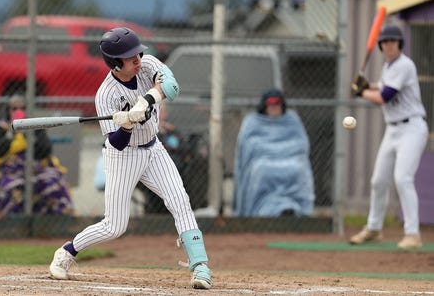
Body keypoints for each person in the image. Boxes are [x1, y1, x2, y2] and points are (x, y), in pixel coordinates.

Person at [48, 27, 212, 289]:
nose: (137, 59)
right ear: (115, 62)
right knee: (115, 226)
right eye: (129, 57)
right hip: (123, 157)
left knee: (180, 200)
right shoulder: (106, 94)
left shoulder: (146, 65)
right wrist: (126, 125)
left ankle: (200, 266)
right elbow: (116, 143)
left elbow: (172, 85)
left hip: (153, 148)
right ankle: (66, 252)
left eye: (137, 53)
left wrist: (147, 100)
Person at [349, 24, 428, 249]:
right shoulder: (389, 66)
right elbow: (382, 86)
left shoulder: (404, 65)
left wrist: (361, 91)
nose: (388, 44)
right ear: (381, 46)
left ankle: (412, 234)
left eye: (392, 41)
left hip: (412, 128)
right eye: (385, 42)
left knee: (403, 178)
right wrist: (367, 85)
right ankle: (374, 228)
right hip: (392, 129)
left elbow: (384, 96)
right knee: (378, 180)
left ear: (399, 44)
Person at [0, 95, 73, 219]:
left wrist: (29, 135)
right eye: (14, 109)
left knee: (54, 179)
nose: (18, 111)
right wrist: (11, 134)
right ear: (8, 111)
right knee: (12, 186)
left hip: (34, 169)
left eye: (22, 108)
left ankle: (57, 220)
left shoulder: (34, 126)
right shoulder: (1, 128)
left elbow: (45, 150)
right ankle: (11, 222)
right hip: (9, 170)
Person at [232, 88, 315, 217]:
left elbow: (301, 144)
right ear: (264, 106)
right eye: (271, 104)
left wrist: (280, 150)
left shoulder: (292, 119)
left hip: (291, 159)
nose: (274, 107)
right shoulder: (252, 122)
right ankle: (263, 210)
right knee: (261, 169)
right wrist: (267, 151)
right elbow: (247, 145)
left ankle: (293, 209)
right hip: (262, 162)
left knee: (299, 168)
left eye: (277, 104)